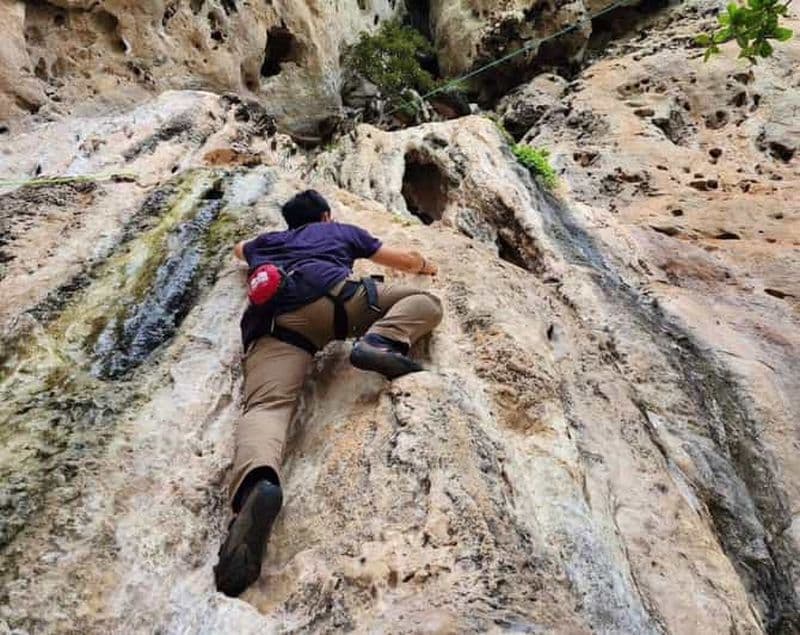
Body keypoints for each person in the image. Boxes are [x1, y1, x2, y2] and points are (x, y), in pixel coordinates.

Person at [214, 189, 442, 597]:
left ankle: (257, 484)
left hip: (275, 325)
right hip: (339, 302)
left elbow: (238, 249)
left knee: (266, 407)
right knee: (425, 302)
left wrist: (265, 247)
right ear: (324, 216)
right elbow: (402, 261)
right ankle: (381, 342)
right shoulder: (339, 231)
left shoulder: (266, 243)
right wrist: (426, 264)